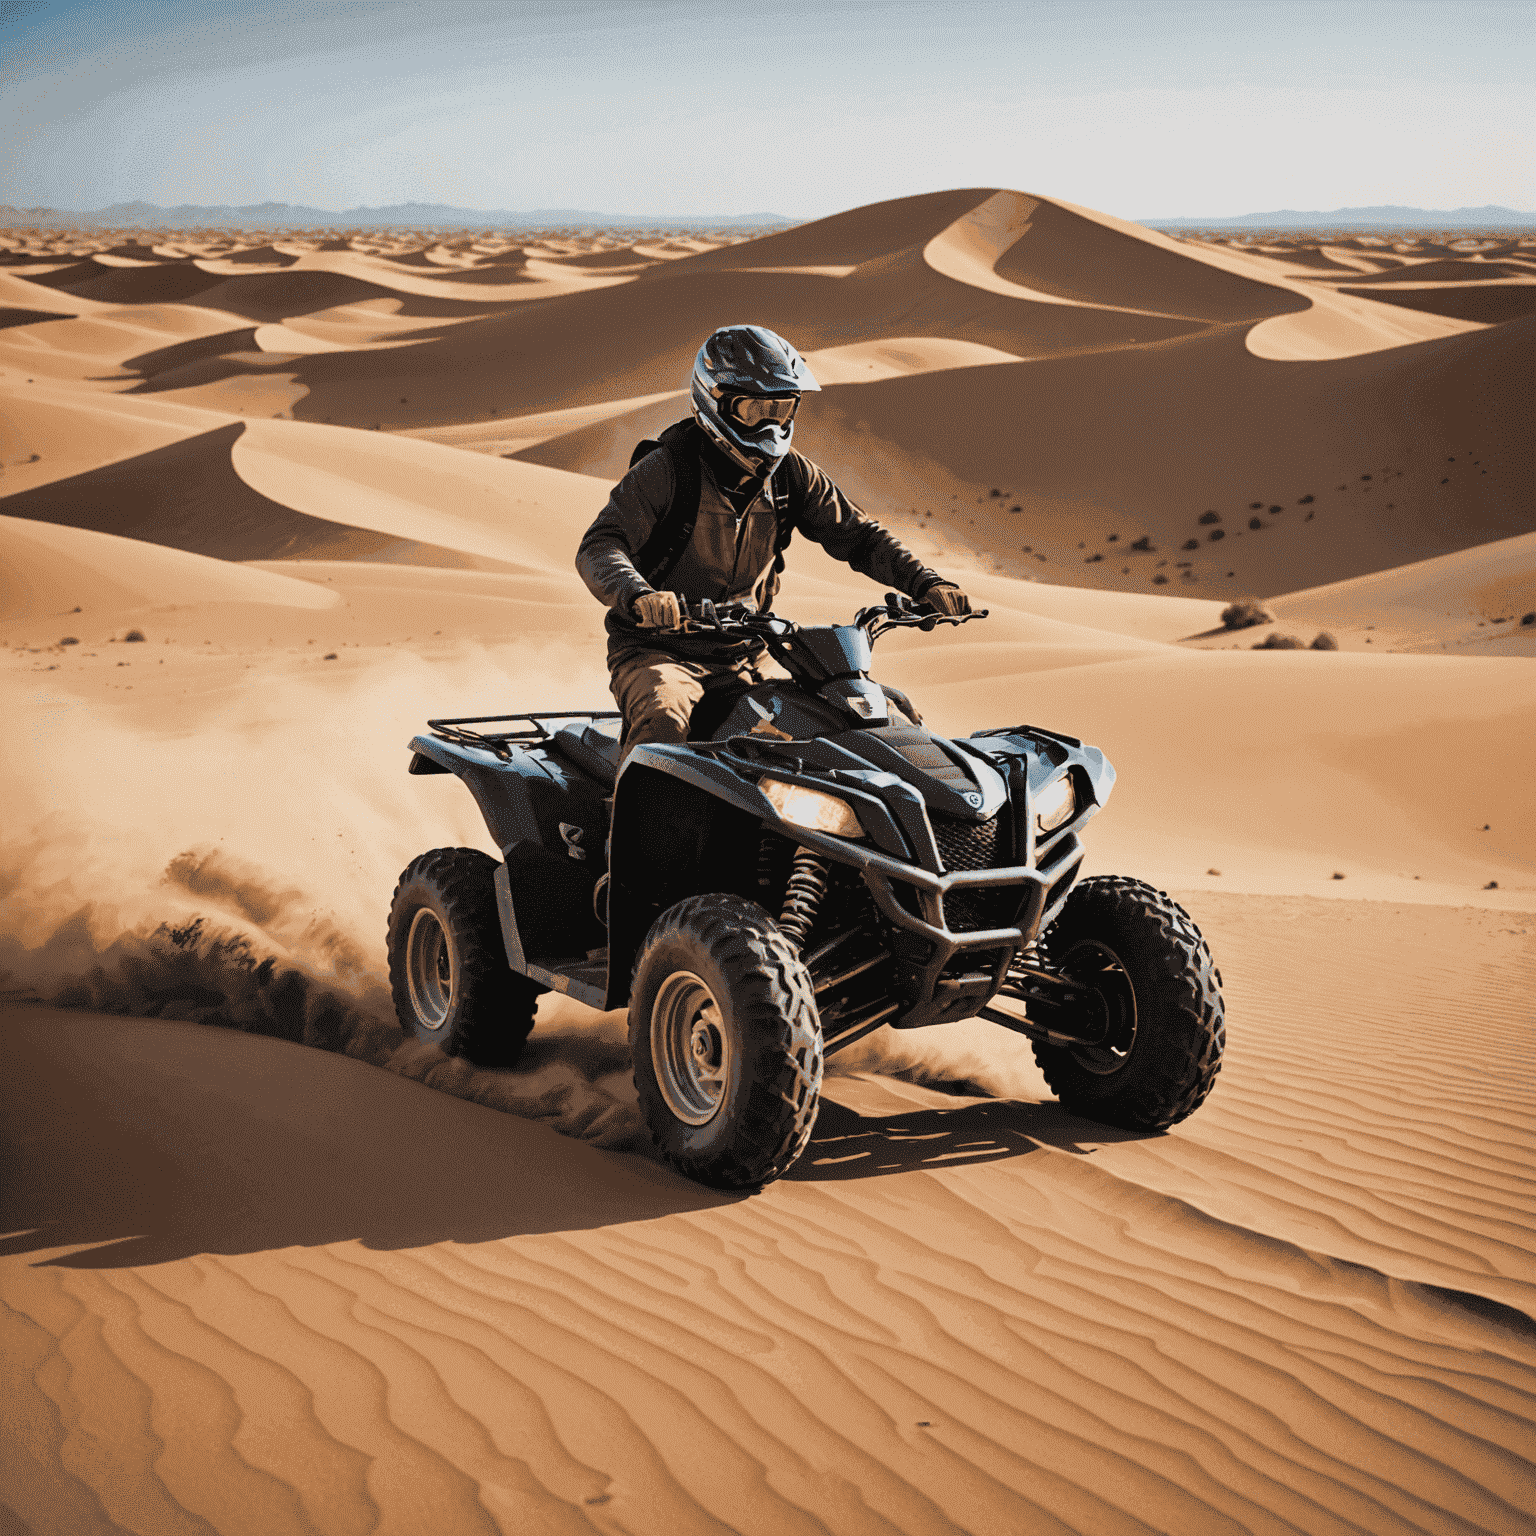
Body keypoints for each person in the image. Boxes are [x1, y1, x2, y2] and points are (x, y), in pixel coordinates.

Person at [575, 324, 971, 756]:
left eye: (781, 410)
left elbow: (860, 536)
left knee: (882, 712)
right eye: (754, 409)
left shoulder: (791, 475)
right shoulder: (667, 470)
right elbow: (601, 545)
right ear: (715, 403)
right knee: (664, 725)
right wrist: (638, 596)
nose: (770, 425)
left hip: (752, 651)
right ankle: (630, 820)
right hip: (662, 651)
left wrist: (926, 583)